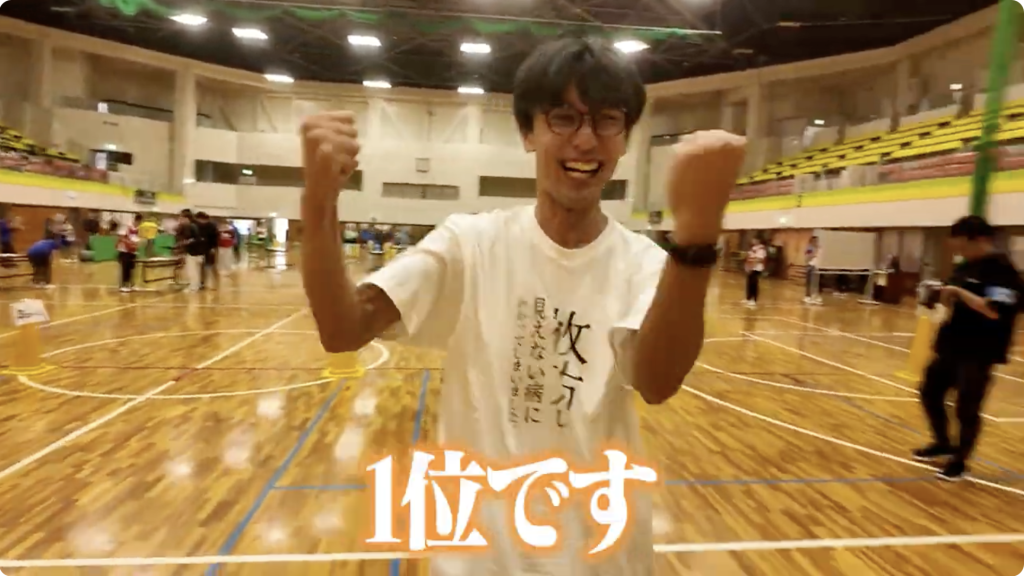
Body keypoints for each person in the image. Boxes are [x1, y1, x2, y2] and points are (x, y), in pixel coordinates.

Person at [299, 37, 745, 575]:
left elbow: (657, 382)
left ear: (625, 138)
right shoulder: (470, 244)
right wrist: (318, 203)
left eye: (607, 120)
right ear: (528, 132)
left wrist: (696, 239)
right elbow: (343, 328)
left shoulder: (643, 264)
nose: (586, 140)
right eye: (563, 118)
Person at [913, 215, 1024, 482]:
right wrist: (937, 297)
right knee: (929, 392)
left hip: (980, 350)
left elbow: (994, 310)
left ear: (979, 239)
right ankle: (942, 442)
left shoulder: (1002, 271)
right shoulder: (964, 267)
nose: (956, 247)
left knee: (967, 406)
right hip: (952, 344)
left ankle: (960, 461)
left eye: (960, 241)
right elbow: (952, 298)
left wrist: (958, 292)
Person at [177, 210, 206, 292]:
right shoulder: (194, 226)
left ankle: (193, 287)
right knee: (196, 271)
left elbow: (197, 239)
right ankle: (196, 285)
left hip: (194, 252)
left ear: (187, 218)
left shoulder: (191, 227)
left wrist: (186, 242)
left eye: (182, 218)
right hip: (198, 252)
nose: (180, 220)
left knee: (192, 271)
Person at [116, 213, 142, 293]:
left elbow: (136, 238)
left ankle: (131, 285)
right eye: (138, 222)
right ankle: (123, 285)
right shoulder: (126, 226)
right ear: (135, 220)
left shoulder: (137, 228)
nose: (139, 223)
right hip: (124, 251)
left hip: (132, 251)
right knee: (125, 269)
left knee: (132, 268)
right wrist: (129, 243)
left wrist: (135, 245)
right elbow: (120, 237)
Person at [743, 237, 767, 307]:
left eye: (754, 239)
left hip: (756, 268)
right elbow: (749, 257)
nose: (752, 241)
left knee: (754, 284)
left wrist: (753, 266)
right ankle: (748, 298)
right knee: (749, 283)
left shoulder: (761, 249)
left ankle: (754, 300)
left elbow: (759, 259)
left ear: (758, 240)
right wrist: (747, 265)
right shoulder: (753, 248)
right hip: (750, 268)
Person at [803, 235, 823, 305]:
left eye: (817, 241)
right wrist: (814, 254)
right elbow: (807, 256)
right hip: (811, 266)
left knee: (815, 282)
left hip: (817, 266)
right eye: (815, 241)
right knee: (811, 282)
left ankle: (813, 296)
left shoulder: (819, 248)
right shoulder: (810, 248)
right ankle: (809, 296)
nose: (816, 242)